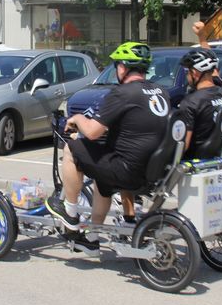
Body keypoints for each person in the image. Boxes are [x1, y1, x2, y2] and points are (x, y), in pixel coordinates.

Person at [45, 42, 170, 255]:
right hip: (152, 172)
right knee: (101, 178)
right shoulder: (160, 92)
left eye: (117, 66)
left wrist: (77, 118)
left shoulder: (122, 93)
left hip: (127, 171)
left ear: (123, 67)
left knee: (71, 149)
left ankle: (70, 213)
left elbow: (92, 132)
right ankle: (92, 239)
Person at [177, 47, 222, 160]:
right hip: (215, 155)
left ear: (194, 73)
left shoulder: (191, 102)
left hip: (194, 159)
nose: (187, 76)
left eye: (187, 71)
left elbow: (184, 145)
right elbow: (216, 75)